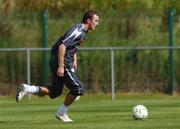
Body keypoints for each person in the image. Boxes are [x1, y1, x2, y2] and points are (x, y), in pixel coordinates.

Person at [16, 10, 100, 122]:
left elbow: (74, 47)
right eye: (96, 20)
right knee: (78, 88)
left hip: (63, 61)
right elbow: (62, 46)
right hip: (62, 61)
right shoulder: (77, 30)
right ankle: (61, 113)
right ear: (88, 20)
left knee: (56, 91)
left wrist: (74, 60)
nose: (97, 23)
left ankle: (28, 88)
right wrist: (61, 65)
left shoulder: (84, 33)